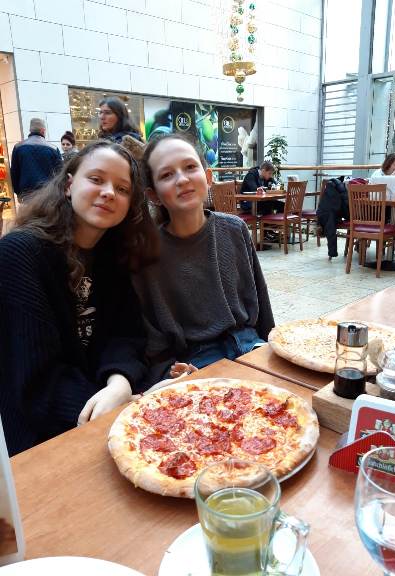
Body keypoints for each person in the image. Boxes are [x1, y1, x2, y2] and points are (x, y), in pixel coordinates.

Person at [0, 140, 159, 456]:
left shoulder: (111, 255)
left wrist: (119, 383)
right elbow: (36, 381)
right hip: (39, 440)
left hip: (103, 412)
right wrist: (118, 410)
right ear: (69, 185)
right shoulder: (19, 254)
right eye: (96, 179)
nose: (109, 192)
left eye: (122, 189)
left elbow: (127, 335)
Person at [134, 133, 274, 383]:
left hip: (249, 343)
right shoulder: (147, 252)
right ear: (153, 195)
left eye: (190, 167)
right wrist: (167, 371)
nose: (182, 179)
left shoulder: (235, 229)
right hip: (195, 361)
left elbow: (260, 298)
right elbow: (152, 337)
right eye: (167, 175)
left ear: (208, 178)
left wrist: (273, 346)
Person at [10, 118, 62, 201]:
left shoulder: (18, 147)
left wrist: (18, 193)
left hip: (26, 194)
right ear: (43, 130)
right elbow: (59, 174)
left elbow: (14, 173)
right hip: (47, 194)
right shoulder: (53, 149)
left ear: (30, 130)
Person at [371, 152, 395, 228]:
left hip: (388, 205)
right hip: (375, 207)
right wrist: (393, 177)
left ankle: (394, 235)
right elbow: (379, 189)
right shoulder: (378, 174)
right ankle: (386, 234)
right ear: (389, 164)